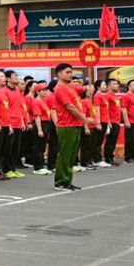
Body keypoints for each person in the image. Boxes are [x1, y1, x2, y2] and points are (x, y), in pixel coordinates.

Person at [49, 63, 91, 191]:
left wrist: (89, 85)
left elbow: (86, 90)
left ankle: (67, 180)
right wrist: (84, 119)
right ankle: (60, 181)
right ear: (59, 74)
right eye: (67, 72)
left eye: (71, 72)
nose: (70, 74)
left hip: (75, 124)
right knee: (65, 154)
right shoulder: (60, 88)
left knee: (72, 155)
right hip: (66, 125)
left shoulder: (70, 87)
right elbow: (69, 107)